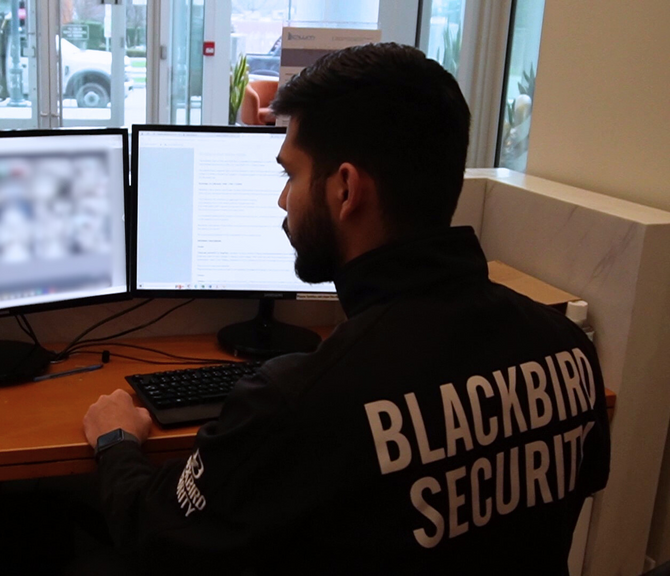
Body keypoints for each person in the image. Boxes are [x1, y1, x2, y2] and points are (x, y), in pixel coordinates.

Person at [81, 42, 610, 575]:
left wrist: (116, 440)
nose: (284, 200)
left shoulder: (298, 402)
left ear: (346, 189)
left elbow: (155, 532)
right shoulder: (569, 350)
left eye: (290, 174)